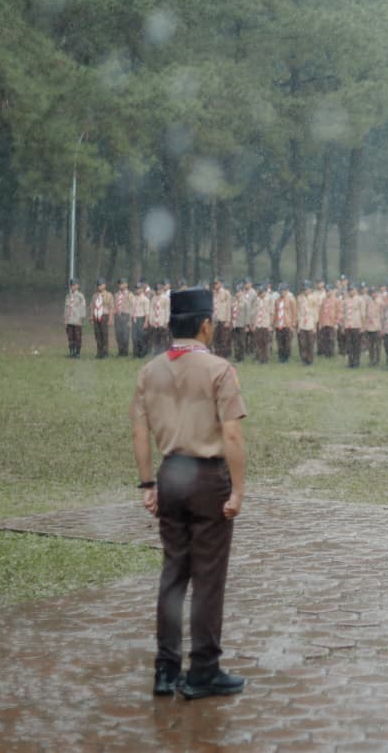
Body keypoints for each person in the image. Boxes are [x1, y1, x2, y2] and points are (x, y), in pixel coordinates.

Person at [132, 287, 248, 700]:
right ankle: (203, 671)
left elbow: (140, 431)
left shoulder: (150, 371)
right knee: (208, 578)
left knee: (173, 575)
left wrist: (149, 484)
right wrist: (237, 489)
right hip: (206, 477)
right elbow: (232, 433)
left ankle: (165, 670)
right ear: (205, 325)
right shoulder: (220, 369)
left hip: (170, 474)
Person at [90, 278, 115, 359]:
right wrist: (91, 316)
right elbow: (92, 307)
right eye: (98, 285)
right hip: (96, 316)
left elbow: (111, 307)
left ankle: (105, 353)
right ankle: (99, 352)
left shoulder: (109, 295)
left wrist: (111, 319)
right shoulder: (95, 295)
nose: (99, 287)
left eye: (101, 285)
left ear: (104, 285)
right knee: (97, 335)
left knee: (104, 335)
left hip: (104, 316)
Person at [64, 278, 86, 358]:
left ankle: (77, 352)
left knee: (77, 337)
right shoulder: (68, 296)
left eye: (74, 285)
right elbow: (66, 309)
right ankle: (71, 351)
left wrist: (81, 318)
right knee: (70, 336)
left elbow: (83, 307)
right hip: (69, 319)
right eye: (72, 285)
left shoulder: (80, 296)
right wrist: (65, 320)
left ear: (77, 286)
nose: (73, 286)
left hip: (77, 319)